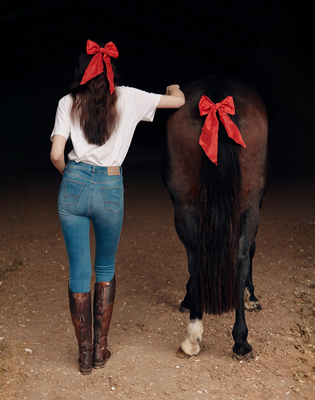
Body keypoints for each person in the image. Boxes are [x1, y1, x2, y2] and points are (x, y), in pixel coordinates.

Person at [50, 39, 185, 375]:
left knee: (79, 270)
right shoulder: (129, 97)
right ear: (111, 70)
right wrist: (175, 86)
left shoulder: (67, 102)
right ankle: (100, 349)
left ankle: (83, 358)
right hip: (111, 187)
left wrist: (75, 179)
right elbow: (178, 101)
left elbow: (55, 155)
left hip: (74, 185)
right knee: (105, 267)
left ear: (81, 72)